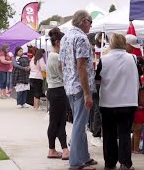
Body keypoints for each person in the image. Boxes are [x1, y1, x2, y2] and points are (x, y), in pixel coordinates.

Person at [59, 10, 97, 170]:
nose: (91, 25)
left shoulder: (65, 37)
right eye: (90, 21)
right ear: (83, 21)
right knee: (79, 125)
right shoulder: (81, 38)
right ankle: (75, 162)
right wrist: (87, 93)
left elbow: (61, 65)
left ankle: (84, 157)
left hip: (70, 87)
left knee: (79, 124)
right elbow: (81, 67)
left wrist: (67, 80)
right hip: (81, 88)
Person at [95, 33, 138, 170]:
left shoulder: (104, 59)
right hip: (128, 102)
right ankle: (125, 163)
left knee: (109, 134)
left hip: (108, 102)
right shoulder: (133, 58)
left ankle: (110, 162)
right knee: (125, 133)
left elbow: (97, 79)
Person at [46, 27, 69, 160]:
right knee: (59, 122)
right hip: (58, 91)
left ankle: (54, 149)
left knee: (55, 121)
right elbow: (63, 75)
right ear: (59, 42)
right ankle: (62, 149)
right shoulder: (57, 57)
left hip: (54, 90)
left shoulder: (51, 56)